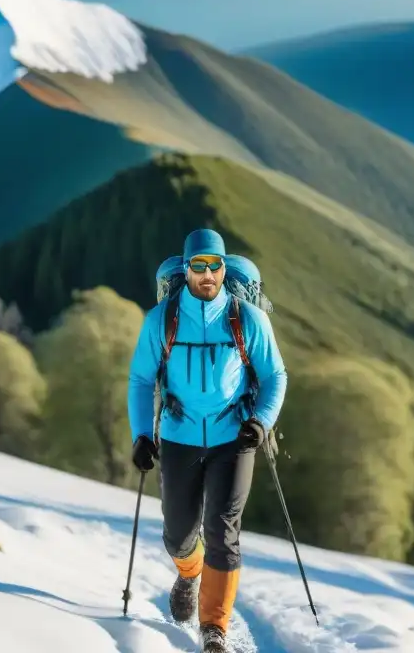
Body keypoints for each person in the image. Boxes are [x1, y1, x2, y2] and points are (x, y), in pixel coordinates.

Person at [126, 228, 287, 653]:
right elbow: (142, 379)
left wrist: (261, 421)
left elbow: (275, 377)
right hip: (179, 436)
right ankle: (188, 573)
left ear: (222, 267)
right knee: (178, 534)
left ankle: (214, 628)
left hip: (234, 437)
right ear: (186, 269)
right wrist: (142, 434)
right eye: (198, 266)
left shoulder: (247, 319)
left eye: (214, 265)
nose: (207, 274)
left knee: (223, 529)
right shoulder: (161, 321)